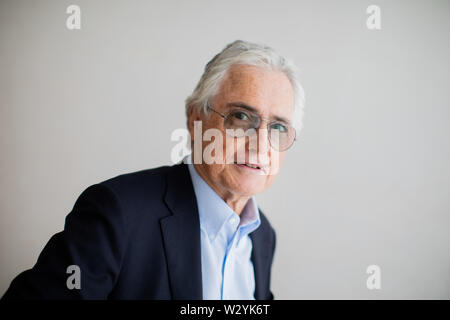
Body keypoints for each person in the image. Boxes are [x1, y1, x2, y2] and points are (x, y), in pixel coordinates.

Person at [2, 39, 305, 300]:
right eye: (240, 116)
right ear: (195, 119)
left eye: (278, 126)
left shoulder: (263, 236)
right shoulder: (116, 214)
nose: (260, 144)